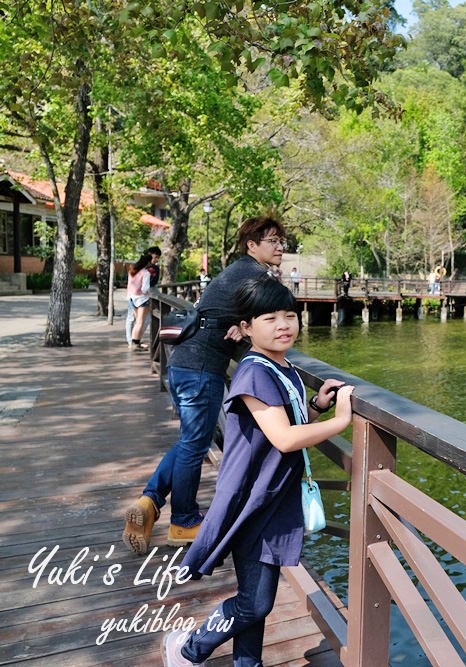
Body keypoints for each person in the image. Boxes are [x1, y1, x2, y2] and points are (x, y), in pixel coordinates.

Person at [161, 275, 354, 667]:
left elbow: (284, 421)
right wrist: (341, 421)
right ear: (245, 328)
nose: (283, 324)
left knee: (254, 598)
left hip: (272, 499)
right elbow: (283, 438)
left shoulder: (281, 365)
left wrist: (317, 406)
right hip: (250, 502)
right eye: (269, 318)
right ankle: (188, 649)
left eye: (289, 315)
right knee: (257, 602)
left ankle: (246, 663)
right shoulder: (253, 372)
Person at [122, 215, 287, 555]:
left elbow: (245, 313)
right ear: (251, 245)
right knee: (194, 447)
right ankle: (183, 521)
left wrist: (243, 327)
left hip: (184, 363)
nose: (280, 246)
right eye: (272, 240)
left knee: (190, 443)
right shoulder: (255, 275)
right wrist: (248, 329)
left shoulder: (238, 271)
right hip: (201, 369)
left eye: (281, 240)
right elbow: (283, 306)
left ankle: (149, 503)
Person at [125, 247, 160, 345]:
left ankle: (132, 341)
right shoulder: (146, 273)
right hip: (142, 299)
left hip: (131, 298)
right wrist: (150, 293)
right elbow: (145, 289)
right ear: (147, 262)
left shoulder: (132, 270)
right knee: (140, 322)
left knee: (133, 320)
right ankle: (135, 343)